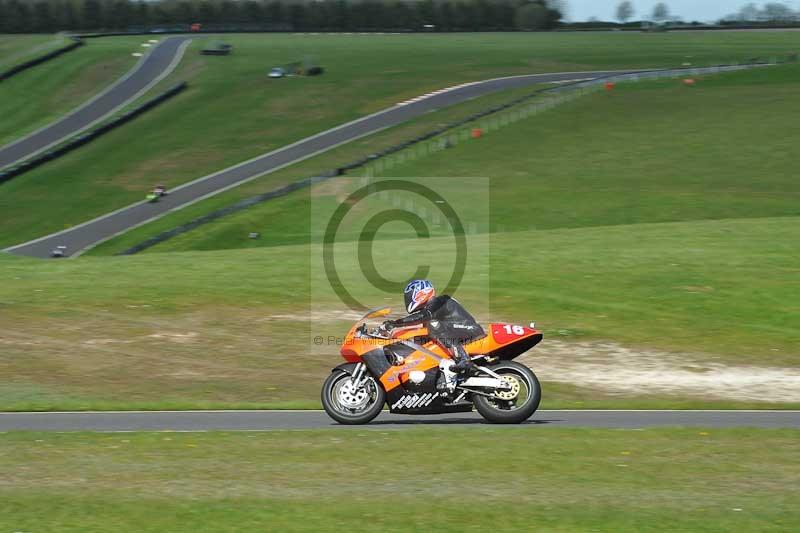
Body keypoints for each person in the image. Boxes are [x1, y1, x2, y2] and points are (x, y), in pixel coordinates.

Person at [382, 279, 485, 377]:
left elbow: (421, 316)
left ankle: (463, 359)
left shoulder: (440, 301)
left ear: (420, 294)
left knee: (433, 325)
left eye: (409, 297)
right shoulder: (431, 311)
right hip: (458, 332)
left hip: (470, 329)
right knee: (421, 337)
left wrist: (395, 323)